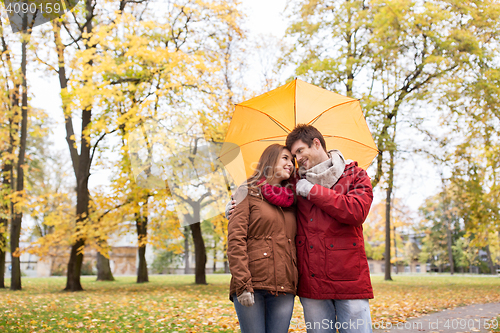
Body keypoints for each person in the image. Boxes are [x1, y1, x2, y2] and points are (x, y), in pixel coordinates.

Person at [227, 124, 374, 333]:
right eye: (293, 155)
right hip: (312, 282)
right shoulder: (295, 180)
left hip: (348, 278)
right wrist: (235, 202)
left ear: (316, 143)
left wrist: (313, 191)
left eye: (299, 152)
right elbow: (268, 189)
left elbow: (356, 211)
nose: (297, 159)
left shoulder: (355, 175)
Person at [227, 144, 299, 333]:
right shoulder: (247, 192)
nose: (290, 164)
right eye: (285, 158)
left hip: (284, 286)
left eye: (292, 160)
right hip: (253, 284)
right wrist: (242, 284)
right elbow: (236, 240)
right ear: (270, 160)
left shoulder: (293, 201)